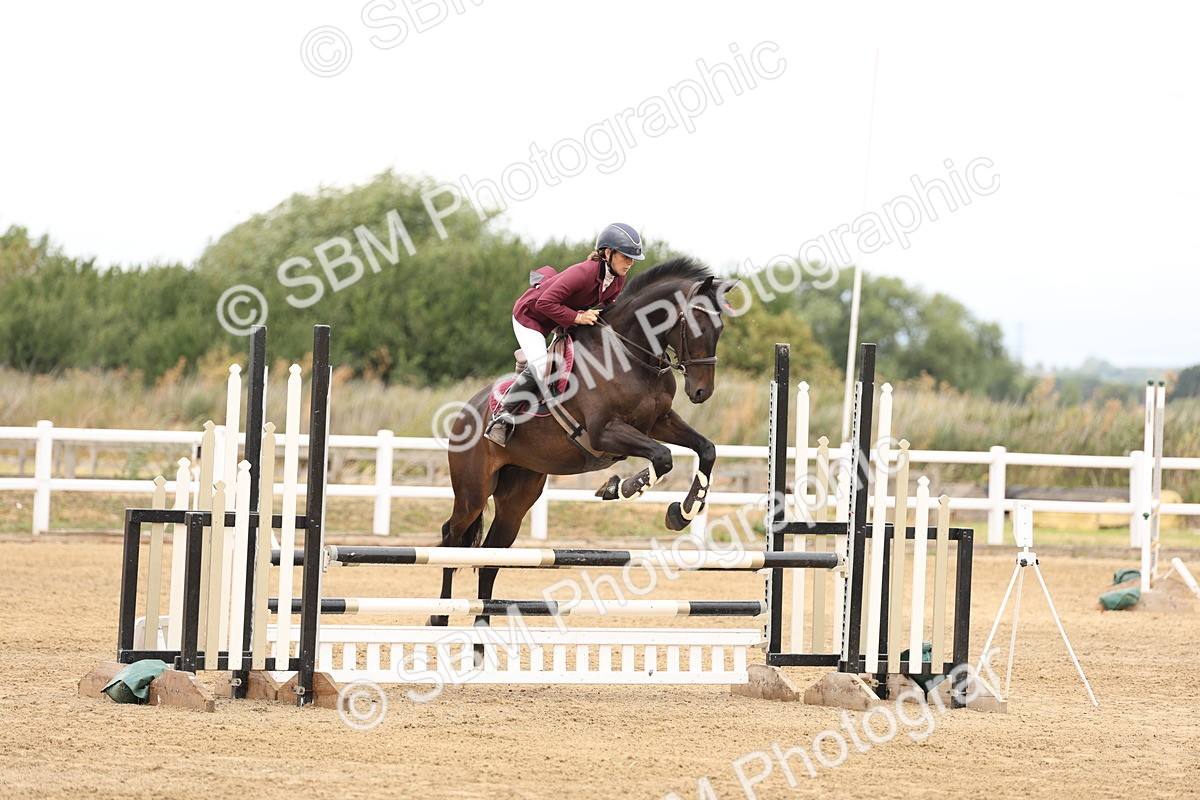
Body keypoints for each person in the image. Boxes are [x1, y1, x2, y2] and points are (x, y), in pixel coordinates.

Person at [484, 222, 646, 446]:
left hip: (557, 320)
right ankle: (502, 416)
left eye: (632, 259)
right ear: (608, 253)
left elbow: (609, 306)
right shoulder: (583, 273)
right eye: (626, 257)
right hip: (530, 317)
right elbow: (543, 303)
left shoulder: (618, 278)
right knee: (542, 367)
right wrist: (579, 317)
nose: (630, 263)